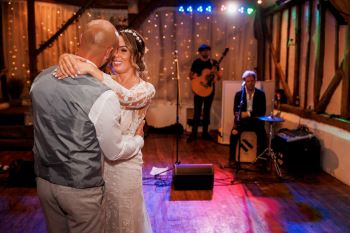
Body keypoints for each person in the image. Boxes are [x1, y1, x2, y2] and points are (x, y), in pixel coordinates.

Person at [30, 20, 145, 233]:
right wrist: (138, 139)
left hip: (44, 182)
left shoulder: (40, 79)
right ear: (109, 52)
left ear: (80, 41)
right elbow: (115, 150)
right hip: (80, 190)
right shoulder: (102, 94)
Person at [56, 28, 155, 233]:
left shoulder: (146, 89)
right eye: (114, 51)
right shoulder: (102, 79)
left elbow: (127, 97)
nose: (116, 56)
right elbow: (83, 63)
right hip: (97, 165)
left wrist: (95, 72)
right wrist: (66, 57)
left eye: (124, 50)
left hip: (126, 165)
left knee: (125, 219)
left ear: (135, 55)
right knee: (102, 220)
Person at [229, 70, 267, 165]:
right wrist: (244, 114)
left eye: (252, 81)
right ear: (244, 82)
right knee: (233, 134)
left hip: (255, 122)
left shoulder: (261, 94)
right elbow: (236, 112)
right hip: (242, 122)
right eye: (248, 81)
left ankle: (262, 160)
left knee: (263, 135)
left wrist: (248, 114)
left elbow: (261, 111)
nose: (250, 83)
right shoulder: (239, 95)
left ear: (255, 81)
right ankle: (232, 158)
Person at [187, 44, 222, 143]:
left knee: (207, 111)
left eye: (207, 50)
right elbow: (190, 75)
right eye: (203, 50)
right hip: (198, 90)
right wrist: (195, 77)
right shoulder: (196, 62)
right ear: (200, 52)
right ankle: (193, 134)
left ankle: (205, 133)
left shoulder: (213, 63)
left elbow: (219, 77)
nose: (205, 52)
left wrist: (215, 73)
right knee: (197, 112)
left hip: (209, 91)